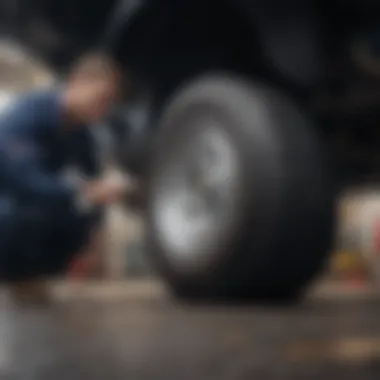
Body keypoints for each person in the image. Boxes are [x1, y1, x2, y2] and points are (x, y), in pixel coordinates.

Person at [0, 52, 133, 304]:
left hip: (31, 206)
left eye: (108, 103)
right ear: (76, 82)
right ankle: (13, 270)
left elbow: (92, 186)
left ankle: (27, 277)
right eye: (100, 99)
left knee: (79, 216)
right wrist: (80, 192)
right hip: (8, 203)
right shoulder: (29, 114)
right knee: (25, 210)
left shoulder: (81, 137)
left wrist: (95, 232)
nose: (102, 110)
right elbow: (22, 179)